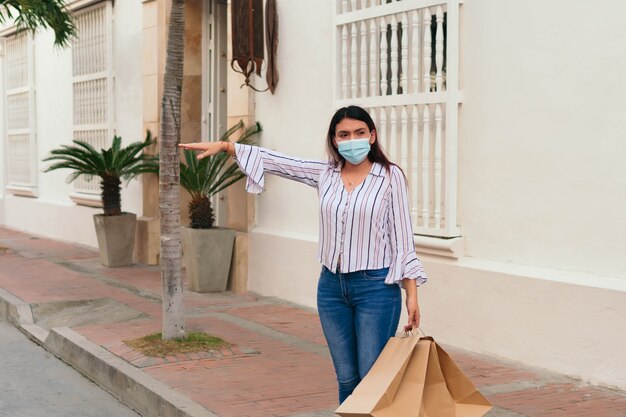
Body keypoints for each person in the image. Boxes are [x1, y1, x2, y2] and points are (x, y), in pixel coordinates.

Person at [179, 105, 427, 403]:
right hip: (331, 289)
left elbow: (403, 239)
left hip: (375, 288)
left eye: (359, 133)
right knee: (346, 377)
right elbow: (280, 162)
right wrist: (226, 147)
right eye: (344, 134)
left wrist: (411, 294)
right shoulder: (326, 173)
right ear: (334, 140)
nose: (352, 140)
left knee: (371, 376)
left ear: (372, 136)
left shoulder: (390, 177)